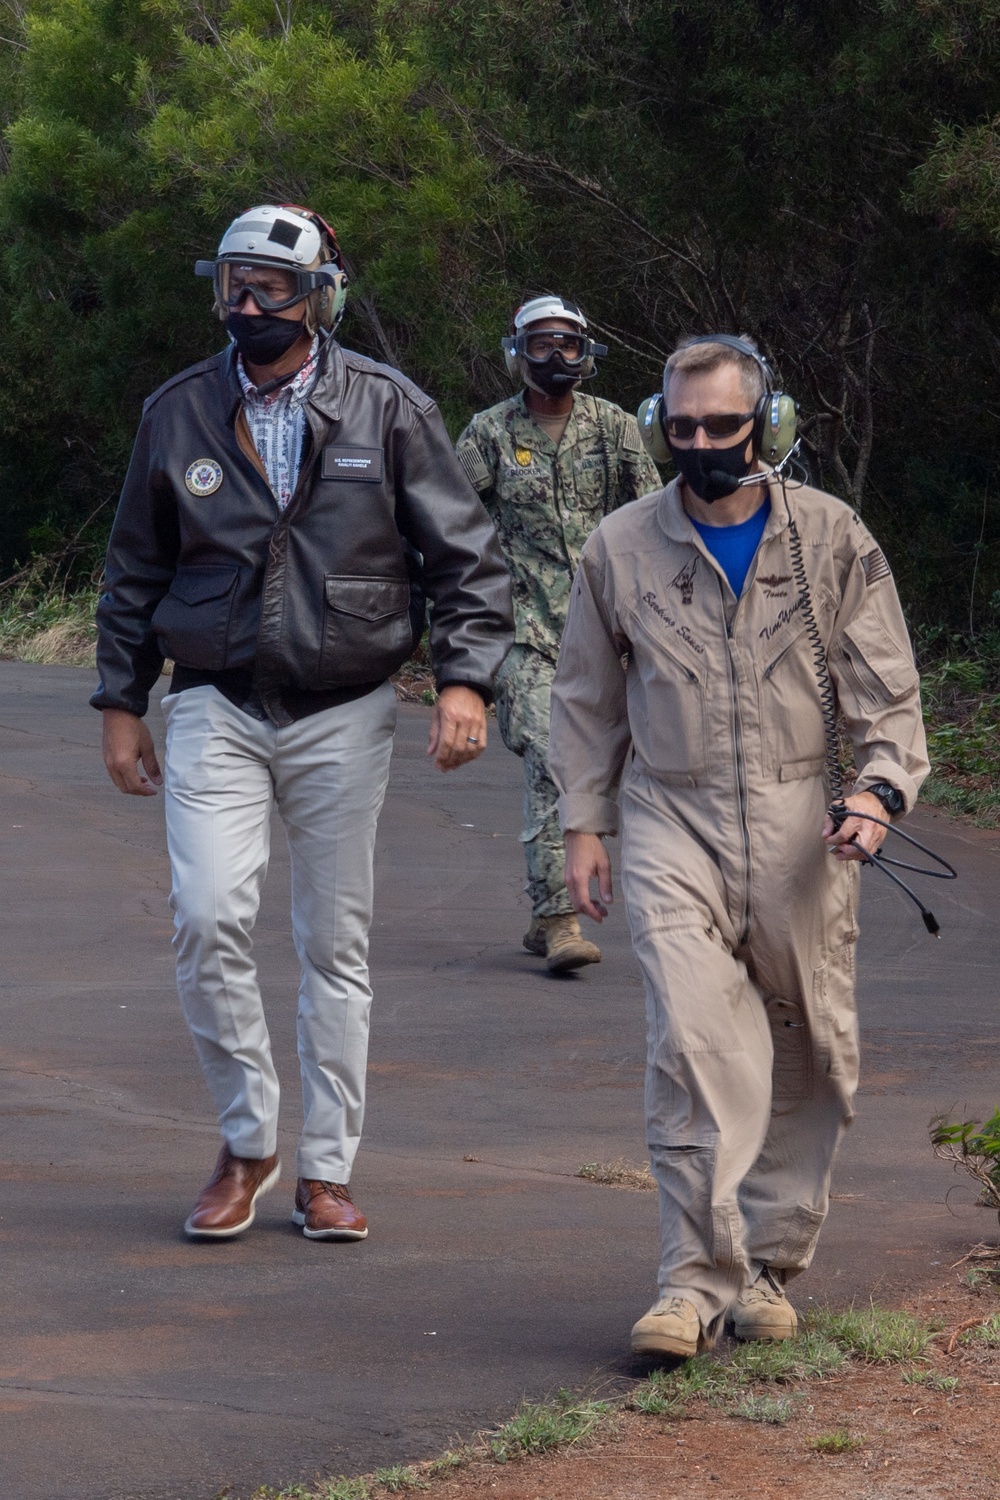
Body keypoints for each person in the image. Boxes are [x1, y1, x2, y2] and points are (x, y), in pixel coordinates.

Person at [93, 204, 513, 1242]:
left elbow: (465, 558)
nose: (246, 304)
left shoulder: (388, 406)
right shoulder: (178, 409)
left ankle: (326, 1170)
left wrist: (465, 683)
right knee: (207, 918)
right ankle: (247, 1143)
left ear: (320, 294)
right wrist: (119, 701)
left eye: (270, 288)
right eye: (232, 283)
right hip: (213, 704)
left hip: (345, 708)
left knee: (336, 942)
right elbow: (135, 566)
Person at [548, 334, 929, 1356]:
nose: (704, 445)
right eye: (684, 429)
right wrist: (583, 825)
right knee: (695, 1040)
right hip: (672, 817)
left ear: (770, 426)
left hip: (805, 823)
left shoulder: (832, 538)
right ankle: (690, 1279)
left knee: (811, 1053)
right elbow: (584, 698)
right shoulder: (617, 548)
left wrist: (878, 790)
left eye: (724, 426)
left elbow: (887, 688)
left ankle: (766, 1267)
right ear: (655, 429)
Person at [456, 295, 661, 973]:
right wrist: (464, 647)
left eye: (568, 344)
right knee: (557, 759)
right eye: (539, 344)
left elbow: (655, 524)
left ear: (588, 353)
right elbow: (450, 529)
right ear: (516, 352)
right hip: (525, 636)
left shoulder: (617, 428)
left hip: (610, 633)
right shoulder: (488, 434)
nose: (554, 357)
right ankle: (557, 918)